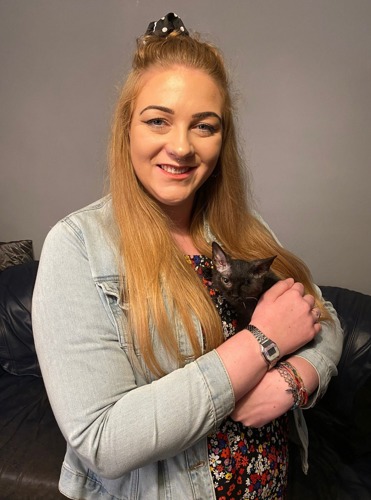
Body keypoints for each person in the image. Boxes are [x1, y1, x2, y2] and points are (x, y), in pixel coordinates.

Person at [32, 12, 343, 500]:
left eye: (204, 126)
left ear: (223, 140)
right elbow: (103, 440)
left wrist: (295, 377)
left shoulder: (244, 229)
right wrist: (261, 342)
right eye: (158, 120)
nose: (180, 147)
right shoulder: (76, 247)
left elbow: (321, 315)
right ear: (127, 128)